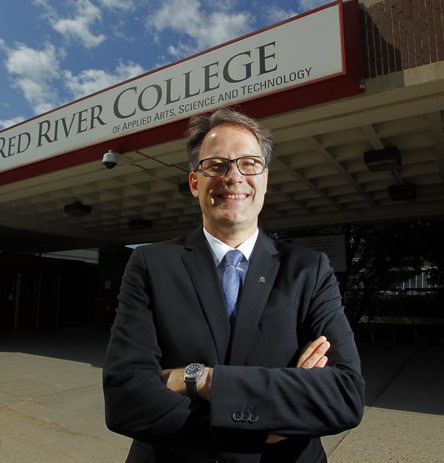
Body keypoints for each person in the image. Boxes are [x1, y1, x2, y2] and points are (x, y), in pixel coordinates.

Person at [103, 108, 364, 462]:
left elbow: (344, 395)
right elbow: (125, 398)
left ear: (265, 179)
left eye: (249, 163)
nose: (234, 176)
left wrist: (200, 379)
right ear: (195, 182)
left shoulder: (309, 270)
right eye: (216, 165)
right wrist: (275, 413)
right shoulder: (150, 265)